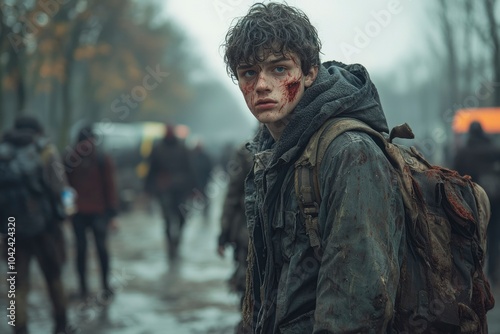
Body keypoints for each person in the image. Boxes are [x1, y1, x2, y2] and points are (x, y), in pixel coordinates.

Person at [223, 3, 405, 333]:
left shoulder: (349, 152)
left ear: (309, 73)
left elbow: (358, 304)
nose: (262, 85)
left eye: (279, 69)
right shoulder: (268, 151)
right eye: (249, 72)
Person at [0, 116, 72, 334]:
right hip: (46, 228)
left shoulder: (2, 153)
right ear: (36, 130)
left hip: (12, 229)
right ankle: (61, 323)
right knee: (54, 277)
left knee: (15, 283)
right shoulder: (46, 151)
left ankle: (19, 327)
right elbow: (61, 188)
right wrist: (66, 214)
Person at [65, 125, 119, 300]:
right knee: (87, 250)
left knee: (97, 249)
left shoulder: (98, 158)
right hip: (86, 212)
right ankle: (89, 288)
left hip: (92, 212)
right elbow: (66, 187)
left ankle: (100, 287)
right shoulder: (75, 158)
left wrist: (111, 214)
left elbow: (109, 187)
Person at [454, 121, 500, 286]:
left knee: (475, 236)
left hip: (473, 201)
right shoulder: (495, 150)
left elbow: (455, 176)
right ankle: (494, 272)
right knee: (495, 235)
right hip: (496, 200)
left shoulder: (464, 153)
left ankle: (476, 273)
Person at [144, 124, 195, 260]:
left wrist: (193, 189)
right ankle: (170, 244)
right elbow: (152, 169)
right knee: (167, 218)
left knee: (181, 217)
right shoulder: (158, 148)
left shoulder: (182, 148)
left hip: (180, 188)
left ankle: (177, 239)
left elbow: (189, 168)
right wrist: (148, 189)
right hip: (164, 188)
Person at [217, 143, 253, 334]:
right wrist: (224, 233)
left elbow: (231, 195)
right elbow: (232, 195)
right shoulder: (247, 152)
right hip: (246, 236)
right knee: (246, 285)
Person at [190, 140, 214, 222]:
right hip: (195, 180)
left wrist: (209, 177)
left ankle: (205, 210)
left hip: (204, 179)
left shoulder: (205, 157)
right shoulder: (192, 156)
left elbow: (209, 168)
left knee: (204, 195)